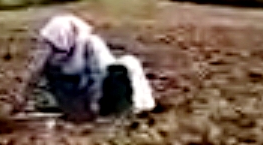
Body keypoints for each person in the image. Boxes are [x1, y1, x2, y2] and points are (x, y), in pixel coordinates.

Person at [13, 13, 156, 122]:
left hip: (102, 92)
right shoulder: (49, 48)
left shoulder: (90, 44)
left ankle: (127, 109)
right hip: (73, 94)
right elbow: (35, 72)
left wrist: (95, 103)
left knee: (124, 67)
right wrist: (22, 100)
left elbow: (100, 75)